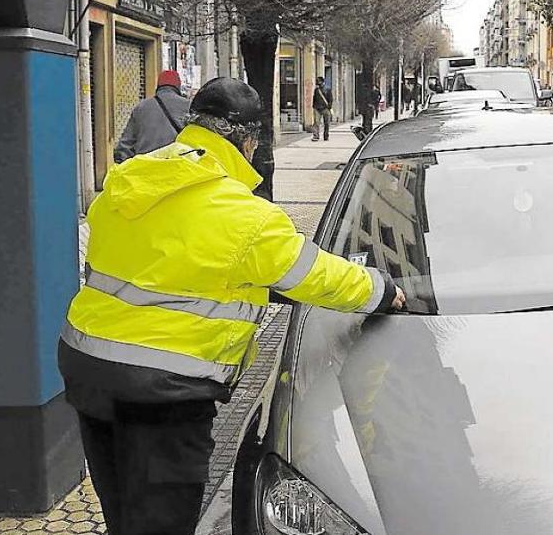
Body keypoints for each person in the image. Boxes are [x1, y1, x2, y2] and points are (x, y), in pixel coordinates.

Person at [59, 78, 404, 535]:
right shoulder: (246, 216)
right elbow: (319, 276)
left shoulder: (128, 181)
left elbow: (166, 264)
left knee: (121, 506)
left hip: (89, 368)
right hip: (163, 391)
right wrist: (381, 290)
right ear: (246, 139)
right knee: (163, 522)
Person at [113, 70, 191, 163]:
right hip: (178, 167)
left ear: (158, 86)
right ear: (178, 87)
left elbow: (125, 145)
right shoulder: (189, 107)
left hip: (145, 168)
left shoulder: (141, 107)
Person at [311, 76, 332, 142]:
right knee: (316, 123)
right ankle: (316, 136)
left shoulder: (327, 89)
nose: (317, 82)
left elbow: (330, 99)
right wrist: (314, 106)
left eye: (318, 81)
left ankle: (326, 136)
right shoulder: (316, 90)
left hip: (325, 108)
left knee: (327, 123)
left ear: (322, 82)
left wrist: (329, 107)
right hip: (317, 108)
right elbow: (314, 98)